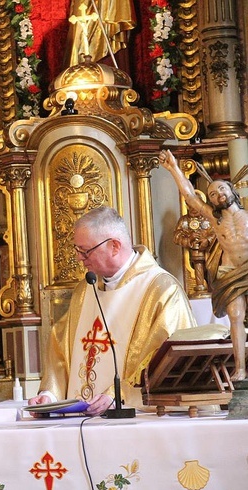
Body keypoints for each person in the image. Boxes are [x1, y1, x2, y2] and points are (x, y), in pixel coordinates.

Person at [28, 206, 196, 416]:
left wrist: (119, 394)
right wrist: (50, 396)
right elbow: (61, 349)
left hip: (140, 421)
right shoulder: (85, 290)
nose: (80, 258)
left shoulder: (161, 290)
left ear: (115, 246)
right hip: (80, 424)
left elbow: (172, 360)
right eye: (77, 250)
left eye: (85, 251)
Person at [159, 149, 248, 381]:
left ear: (232, 190)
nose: (219, 194)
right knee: (235, 315)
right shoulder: (215, 219)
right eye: (213, 193)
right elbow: (189, 196)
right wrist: (173, 168)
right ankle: (240, 369)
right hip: (230, 273)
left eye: (222, 189)